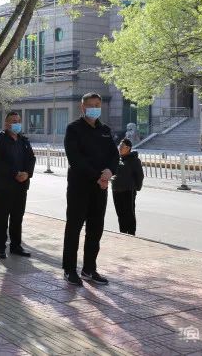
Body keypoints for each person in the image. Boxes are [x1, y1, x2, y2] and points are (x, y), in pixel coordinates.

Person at [62, 93, 119, 287]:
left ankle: (89, 269)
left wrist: (110, 171)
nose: (94, 108)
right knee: (74, 228)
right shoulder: (73, 129)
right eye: (91, 105)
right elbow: (75, 159)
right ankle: (69, 269)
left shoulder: (105, 130)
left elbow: (114, 155)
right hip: (80, 187)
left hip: (100, 188)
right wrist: (98, 177)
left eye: (97, 105)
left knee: (95, 229)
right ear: (83, 107)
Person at [0, 112, 36, 259]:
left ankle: (16, 246)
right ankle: (0, 246)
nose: (16, 124)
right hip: (5, 186)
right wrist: (15, 173)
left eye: (18, 121)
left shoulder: (23, 140)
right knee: (2, 217)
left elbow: (31, 159)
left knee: (17, 217)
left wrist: (27, 173)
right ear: (6, 124)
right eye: (13, 121)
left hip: (21, 186)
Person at [111, 138, 144, 236]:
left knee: (129, 213)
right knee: (120, 213)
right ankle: (123, 233)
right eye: (119, 146)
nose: (120, 148)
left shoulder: (134, 160)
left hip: (128, 190)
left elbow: (139, 175)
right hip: (116, 190)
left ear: (128, 148)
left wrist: (136, 188)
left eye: (122, 146)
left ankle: (131, 233)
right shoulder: (117, 158)